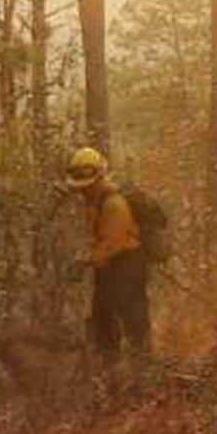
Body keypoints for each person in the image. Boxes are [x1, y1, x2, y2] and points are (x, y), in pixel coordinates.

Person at [61, 146, 148, 367]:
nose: (83, 191)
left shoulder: (114, 204)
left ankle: (141, 362)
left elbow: (113, 243)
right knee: (102, 313)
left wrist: (85, 261)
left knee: (130, 313)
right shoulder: (96, 200)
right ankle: (109, 361)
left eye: (87, 186)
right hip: (110, 264)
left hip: (128, 262)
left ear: (99, 178)